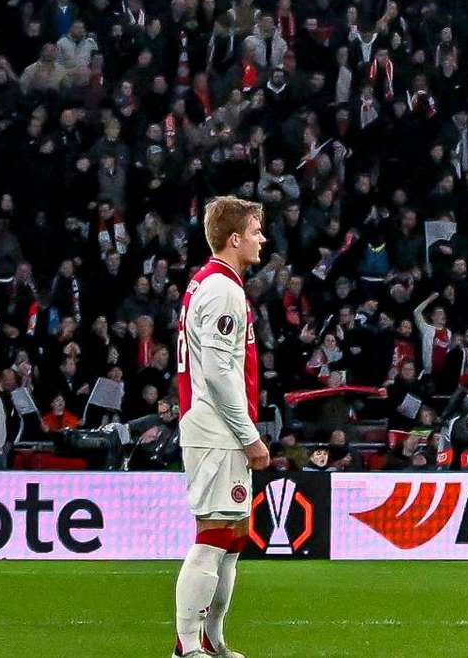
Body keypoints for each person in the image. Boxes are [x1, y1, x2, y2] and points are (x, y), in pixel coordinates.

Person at [175, 195, 271, 658]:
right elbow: (215, 371)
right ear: (234, 239)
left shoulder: (212, 284)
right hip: (216, 430)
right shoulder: (221, 290)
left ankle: (211, 641)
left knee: (232, 539)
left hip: (218, 428)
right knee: (213, 537)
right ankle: (186, 647)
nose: (262, 239)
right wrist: (249, 434)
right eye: (255, 232)